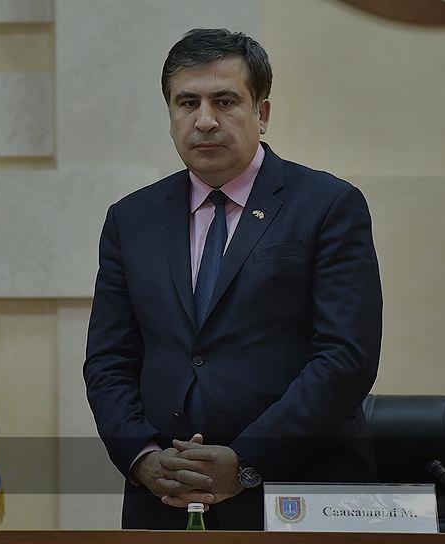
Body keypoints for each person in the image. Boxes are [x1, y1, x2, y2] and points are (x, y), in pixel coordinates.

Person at [84, 28, 381, 530]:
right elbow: (109, 360)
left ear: (261, 114)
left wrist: (246, 461)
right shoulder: (130, 219)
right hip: (164, 499)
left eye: (224, 101)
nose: (204, 120)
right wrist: (142, 456)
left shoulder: (328, 206)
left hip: (297, 496)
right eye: (187, 103)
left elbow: (345, 358)